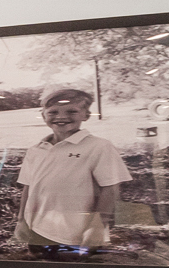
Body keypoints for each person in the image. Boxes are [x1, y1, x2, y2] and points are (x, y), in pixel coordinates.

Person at [13, 86, 129, 251]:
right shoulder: (35, 150)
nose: (61, 117)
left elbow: (110, 188)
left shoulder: (98, 146)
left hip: (78, 234)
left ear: (86, 115)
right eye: (53, 112)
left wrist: (97, 226)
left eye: (71, 112)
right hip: (37, 230)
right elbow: (28, 187)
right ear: (43, 115)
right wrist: (21, 222)